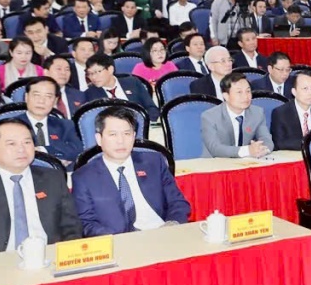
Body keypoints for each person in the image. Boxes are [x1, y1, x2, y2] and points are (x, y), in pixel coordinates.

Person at [0, 119, 82, 258]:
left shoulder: (53, 178)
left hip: (49, 258)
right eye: (11, 144)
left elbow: (71, 226)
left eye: (27, 142)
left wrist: (66, 257)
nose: (21, 149)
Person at [71, 106, 191, 237]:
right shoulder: (83, 177)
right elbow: (86, 223)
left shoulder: (154, 162)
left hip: (161, 233)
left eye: (127, 134)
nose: (120, 141)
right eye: (113, 134)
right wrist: (122, 239)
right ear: (99, 139)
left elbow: (177, 202)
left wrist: (172, 224)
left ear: (134, 136)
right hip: (118, 240)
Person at [200, 72, 273, 158]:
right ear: (226, 96)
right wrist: (247, 150)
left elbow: (266, 139)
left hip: (246, 162)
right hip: (216, 162)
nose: (246, 96)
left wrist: (261, 149)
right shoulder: (210, 116)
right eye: (239, 92)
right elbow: (215, 148)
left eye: (248, 91)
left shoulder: (257, 113)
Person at [20, 77, 83, 166]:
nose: (41, 101)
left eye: (48, 96)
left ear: (55, 101)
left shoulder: (65, 125)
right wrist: (59, 156)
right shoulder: (12, 125)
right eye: (37, 95)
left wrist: (44, 150)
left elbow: (77, 150)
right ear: (26, 97)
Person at [84, 53, 160, 121]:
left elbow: (151, 108)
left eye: (97, 72)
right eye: (90, 73)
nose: (93, 77)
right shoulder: (90, 94)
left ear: (110, 69)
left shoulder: (133, 83)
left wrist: (143, 123)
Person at [270, 72, 311, 151]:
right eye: (305, 88)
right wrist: (309, 143)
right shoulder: (280, 113)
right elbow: (279, 143)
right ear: (294, 92)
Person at [42, 55, 88, 120]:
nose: (63, 73)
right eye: (59, 69)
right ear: (46, 72)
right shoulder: (37, 95)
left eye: (67, 69)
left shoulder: (79, 95)